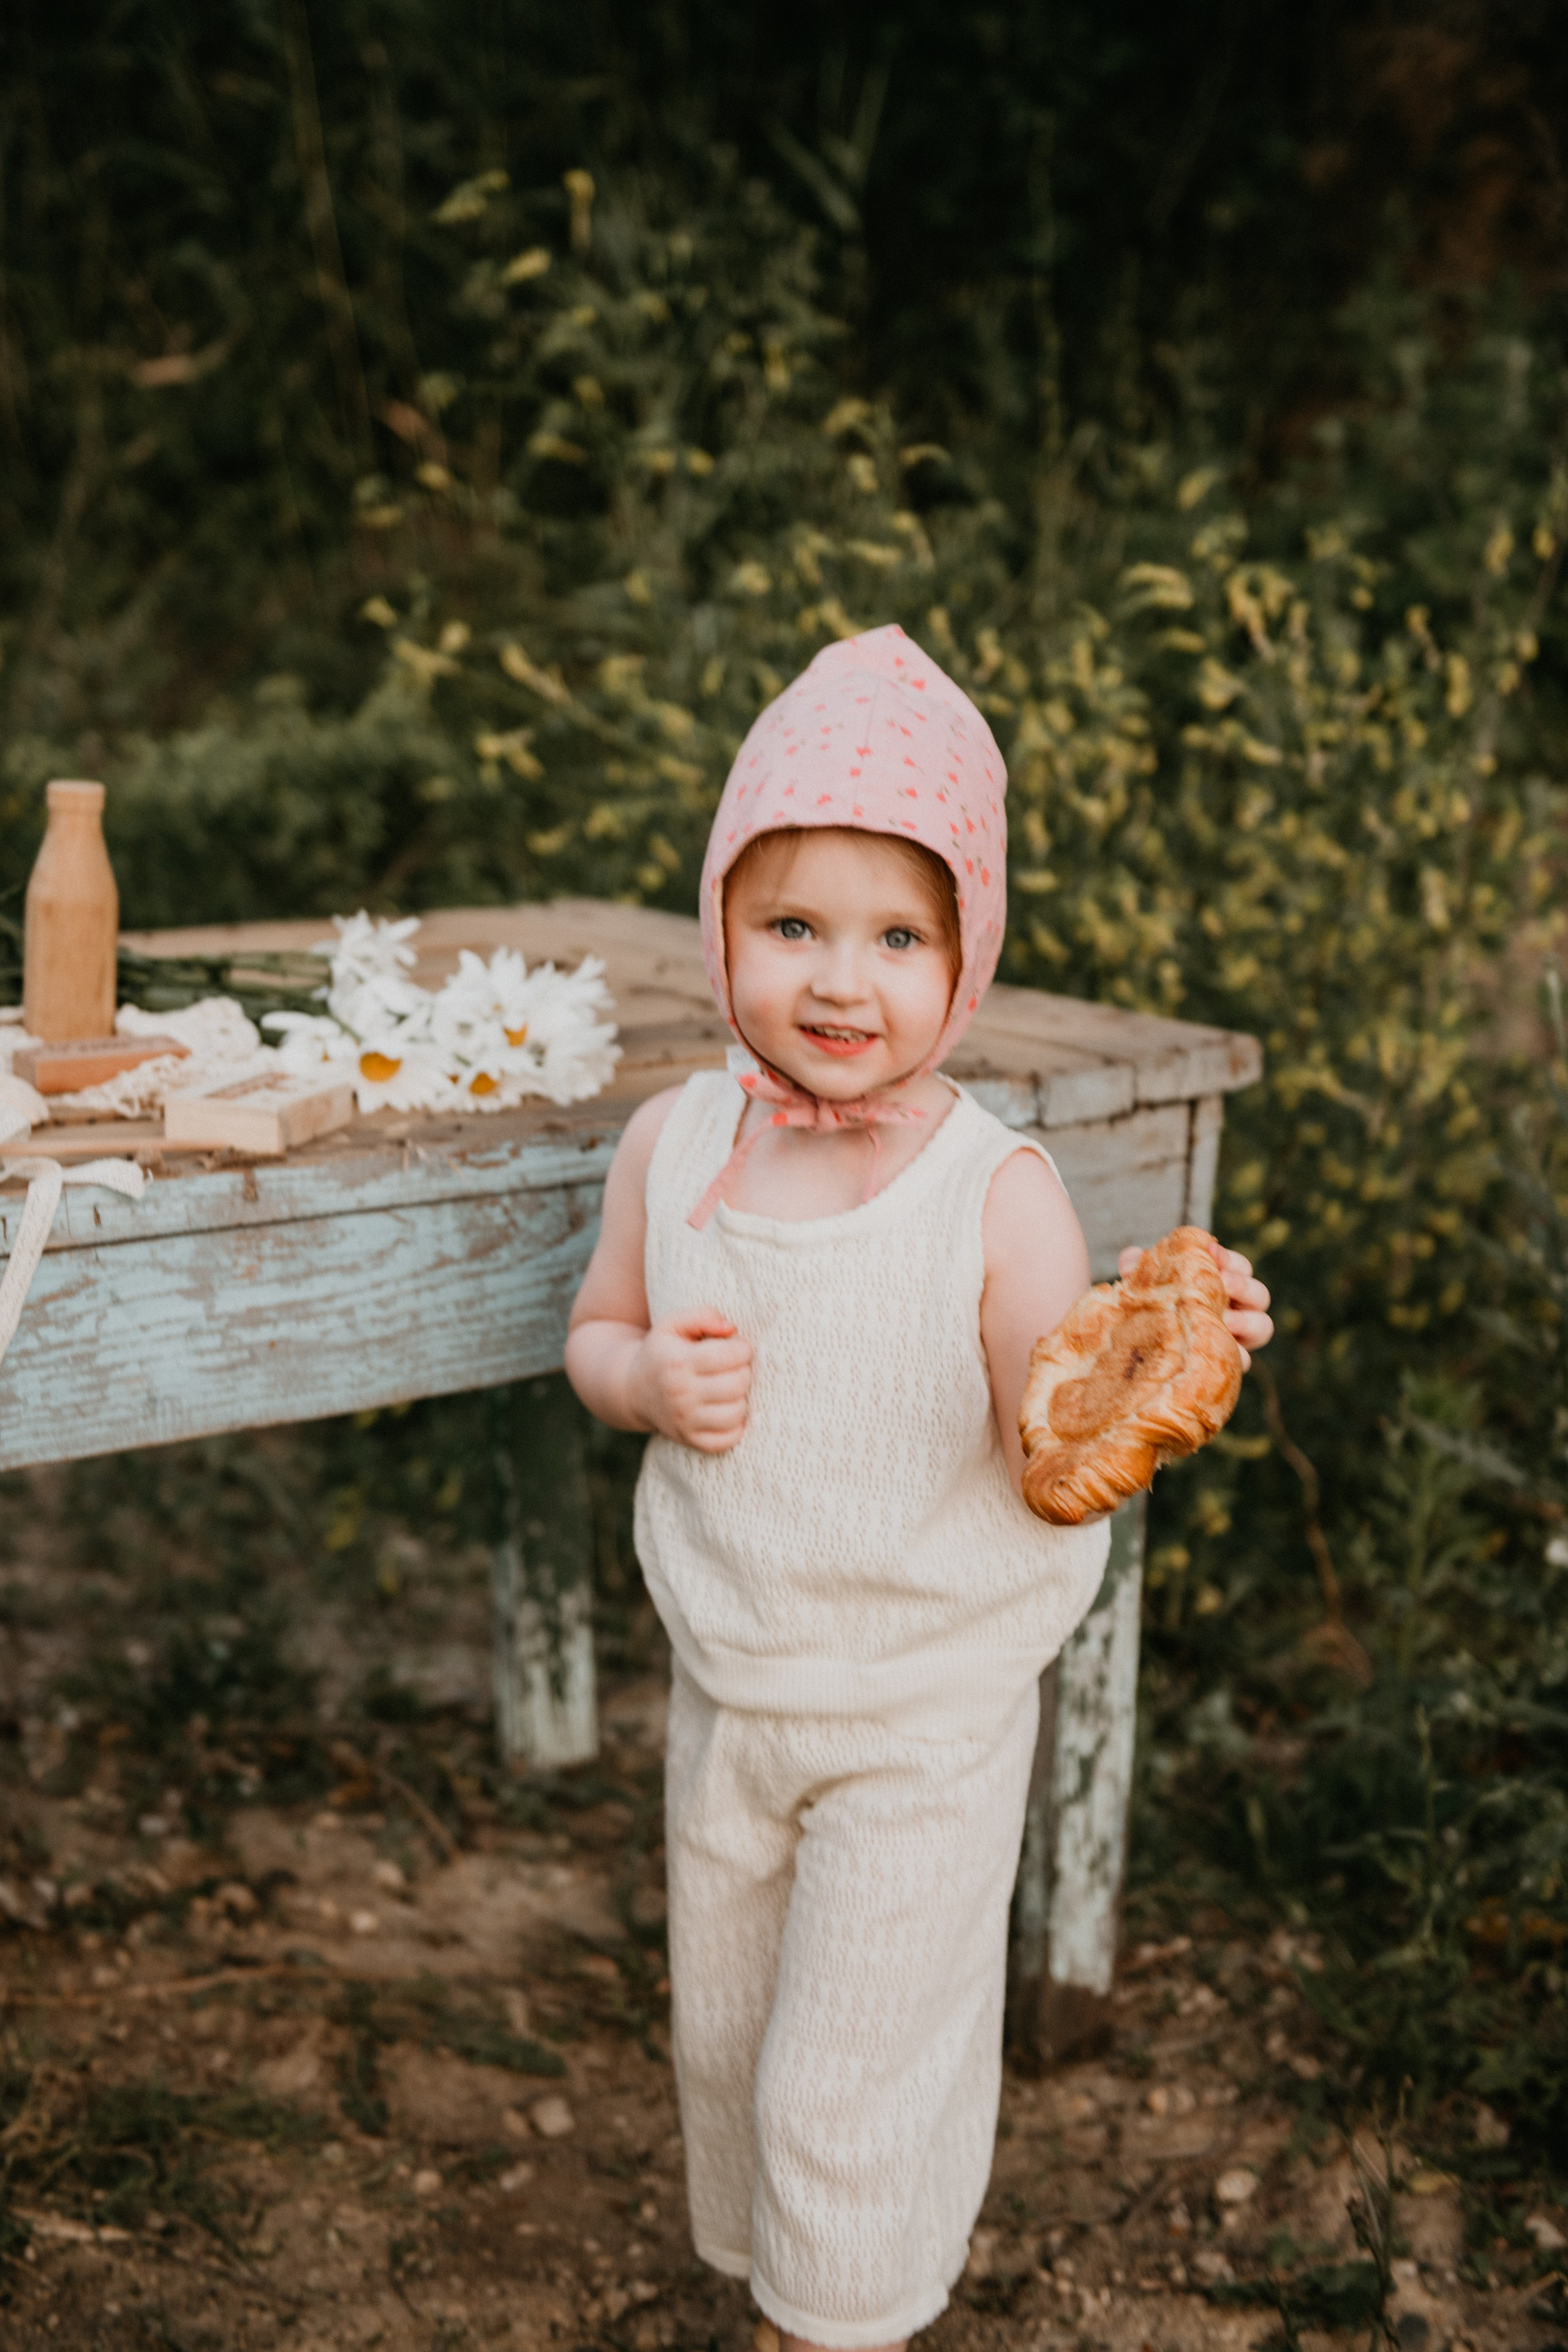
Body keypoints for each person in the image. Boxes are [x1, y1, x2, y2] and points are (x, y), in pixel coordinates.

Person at [566, 624, 1272, 2352]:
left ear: (965, 963)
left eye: (897, 936)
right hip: (735, 1688)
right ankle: (781, 2294)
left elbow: (1056, 1441)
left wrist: (1160, 1363)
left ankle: (840, 2325)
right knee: (728, 2047)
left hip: (924, 1715)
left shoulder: (993, 1190)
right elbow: (595, 1331)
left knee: (846, 2082)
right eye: (790, 923)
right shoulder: (674, 1146)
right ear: (721, 921)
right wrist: (647, 1382)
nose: (837, 978)